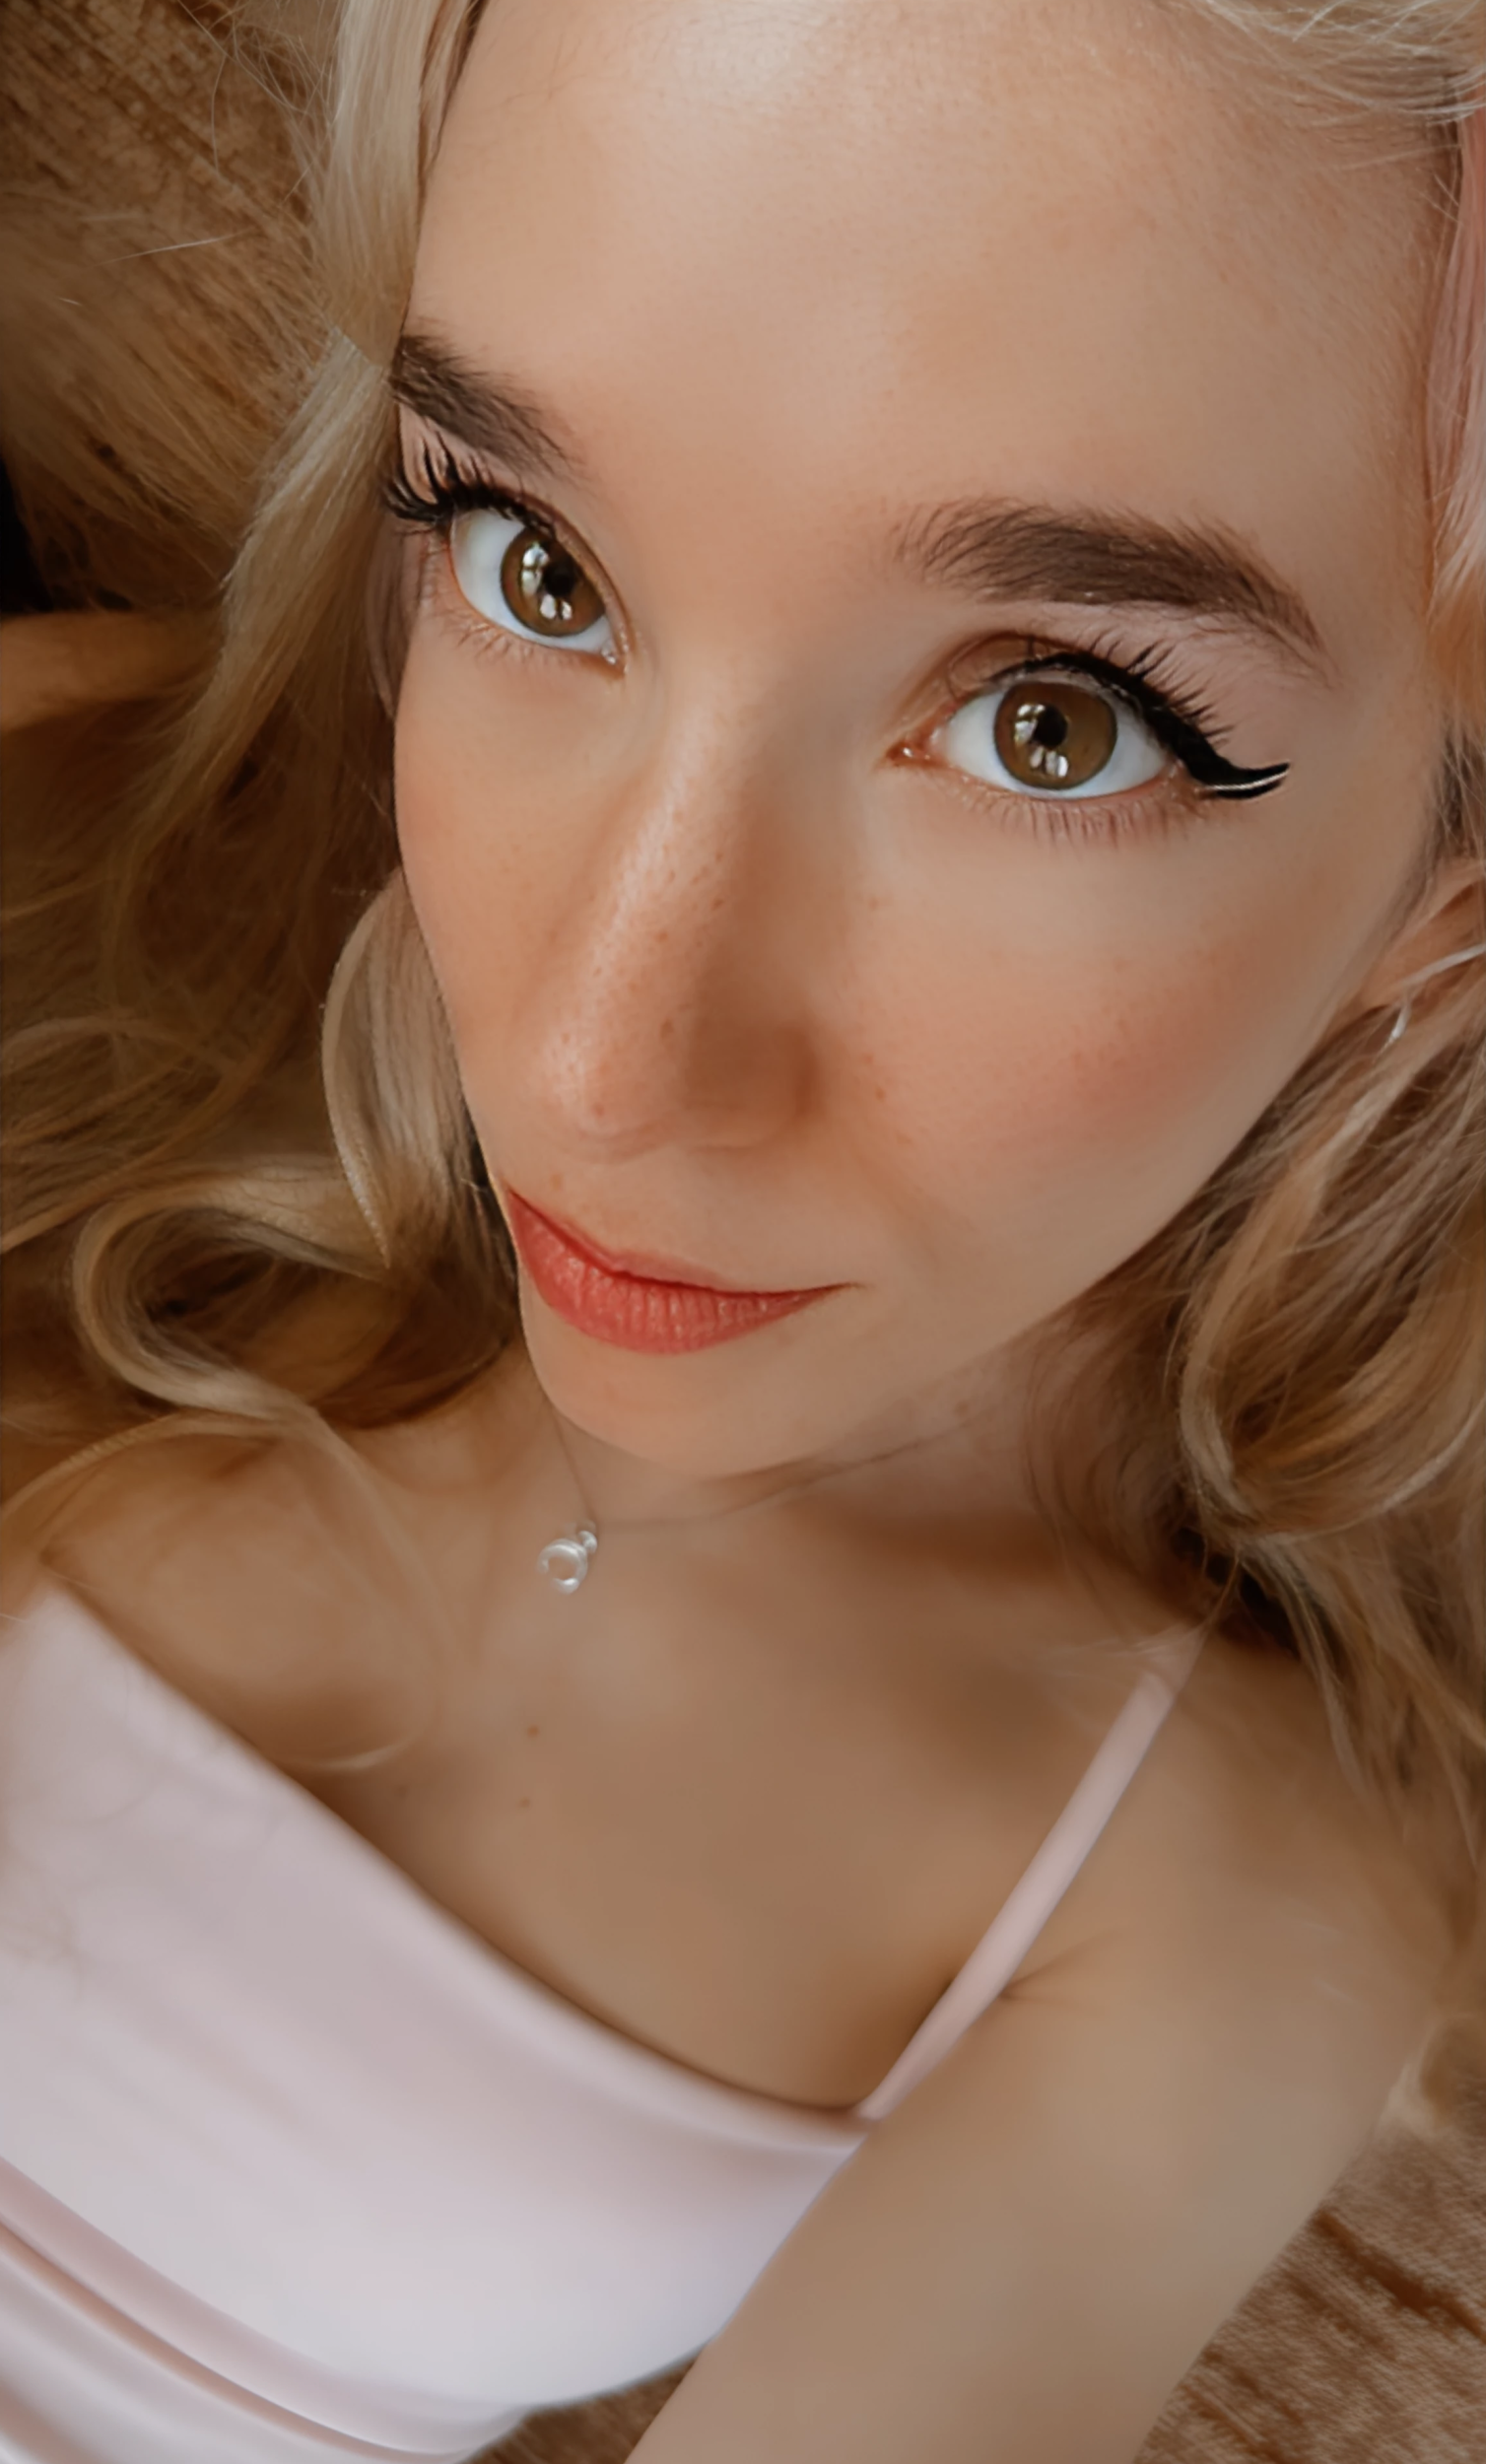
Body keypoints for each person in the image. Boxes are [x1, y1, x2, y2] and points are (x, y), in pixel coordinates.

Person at [1, 1, 1481, 2459]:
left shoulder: (1206, 1898)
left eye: (1050, 723)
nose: (599, 1060)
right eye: (534, 559)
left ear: (1441, 889)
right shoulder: (76, 876)